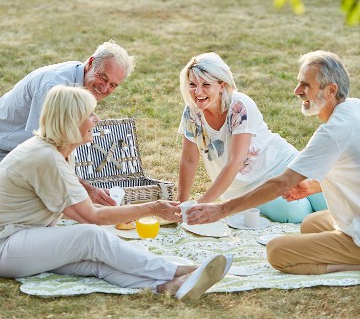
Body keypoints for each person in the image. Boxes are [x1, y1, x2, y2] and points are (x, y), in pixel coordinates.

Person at [0, 85, 232, 300]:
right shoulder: (46, 158)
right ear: (72, 121)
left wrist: (123, 212)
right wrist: (152, 208)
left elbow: (73, 210)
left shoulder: (58, 151)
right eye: (90, 114)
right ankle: (179, 270)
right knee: (90, 237)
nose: (97, 119)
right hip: (7, 244)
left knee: (94, 262)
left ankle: (167, 287)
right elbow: (90, 217)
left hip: (26, 238)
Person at [186, 51, 360, 275]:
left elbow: (281, 184)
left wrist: (221, 209)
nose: (297, 91)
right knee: (310, 225)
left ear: (331, 90)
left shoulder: (332, 132)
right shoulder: (354, 107)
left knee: (278, 252)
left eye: (305, 85)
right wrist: (313, 186)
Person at [177, 52, 327, 223]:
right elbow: (189, 159)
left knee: (329, 199)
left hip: (281, 164)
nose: (198, 91)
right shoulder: (191, 112)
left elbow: (235, 162)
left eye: (205, 84)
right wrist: (181, 204)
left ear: (221, 85)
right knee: (296, 213)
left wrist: (202, 205)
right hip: (248, 186)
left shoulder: (239, 105)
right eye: (192, 84)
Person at [0, 40, 134, 205]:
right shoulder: (54, 86)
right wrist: (85, 189)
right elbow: (43, 154)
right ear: (91, 62)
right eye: (103, 77)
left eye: (113, 85)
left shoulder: (83, 81)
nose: (105, 88)